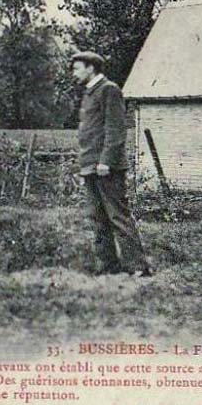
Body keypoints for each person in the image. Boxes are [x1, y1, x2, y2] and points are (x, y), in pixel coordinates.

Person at [72, 51, 152, 276]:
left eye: (77, 68)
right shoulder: (89, 92)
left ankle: (138, 267)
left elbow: (116, 129)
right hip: (90, 166)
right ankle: (108, 266)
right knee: (98, 218)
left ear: (91, 68)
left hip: (106, 167)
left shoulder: (109, 90)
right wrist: (85, 165)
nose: (73, 73)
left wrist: (106, 161)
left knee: (118, 217)